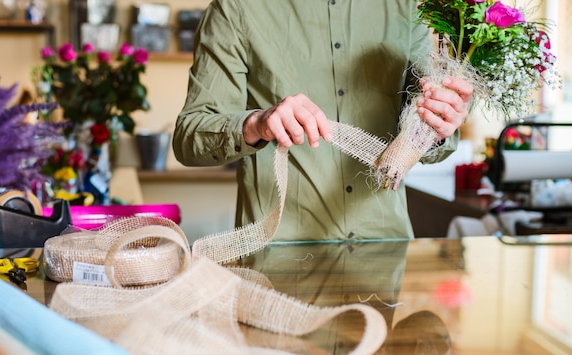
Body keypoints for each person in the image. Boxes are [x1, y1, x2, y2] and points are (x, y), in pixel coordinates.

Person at [173, 0, 473, 242]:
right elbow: (189, 136)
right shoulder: (235, 9)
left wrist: (440, 122)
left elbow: (426, 130)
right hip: (280, 255)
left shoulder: (408, 8)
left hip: (384, 249)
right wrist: (257, 123)